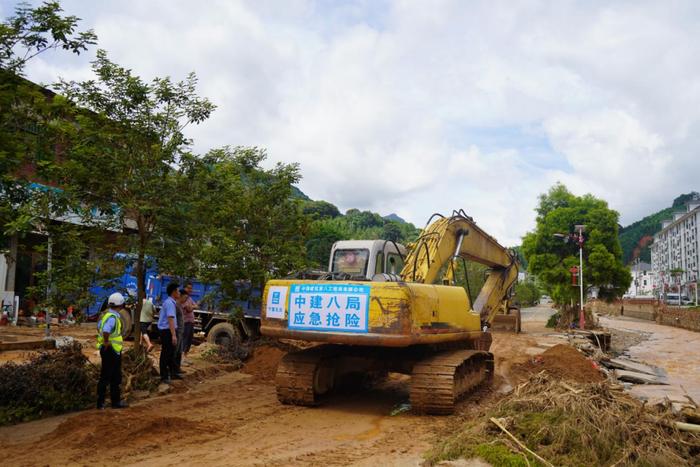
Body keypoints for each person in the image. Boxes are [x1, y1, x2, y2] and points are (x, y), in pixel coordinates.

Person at [96, 292, 129, 409]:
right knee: (108, 377)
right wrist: (106, 341)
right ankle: (103, 403)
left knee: (113, 376)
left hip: (109, 350)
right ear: (121, 305)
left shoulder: (106, 315)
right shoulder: (113, 318)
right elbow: (105, 330)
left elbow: (99, 327)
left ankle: (112, 402)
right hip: (111, 350)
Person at [158, 283, 181, 383]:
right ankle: (163, 376)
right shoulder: (169, 303)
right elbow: (170, 319)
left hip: (169, 330)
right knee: (166, 353)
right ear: (174, 292)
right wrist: (173, 335)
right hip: (167, 331)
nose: (179, 293)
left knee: (171, 353)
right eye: (178, 291)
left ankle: (173, 373)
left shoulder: (171, 302)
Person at [182, 283, 197, 362]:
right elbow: (189, 309)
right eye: (188, 288)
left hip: (191, 322)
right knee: (184, 339)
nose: (190, 290)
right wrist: (191, 307)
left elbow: (195, 306)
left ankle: (185, 356)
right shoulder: (182, 298)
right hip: (185, 322)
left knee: (189, 340)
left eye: (191, 288)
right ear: (184, 288)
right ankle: (182, 358)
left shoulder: (189, 298)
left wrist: (192, 307)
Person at [173, 289, 187, 374]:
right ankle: (173, 370)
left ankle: (177, 369)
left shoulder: (180, 306)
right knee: (175, 351)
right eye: (185, 297)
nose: (186, 299)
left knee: (179, 351)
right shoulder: (175, 305)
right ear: (180, 296)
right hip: (177, 332)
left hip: (180, 332)